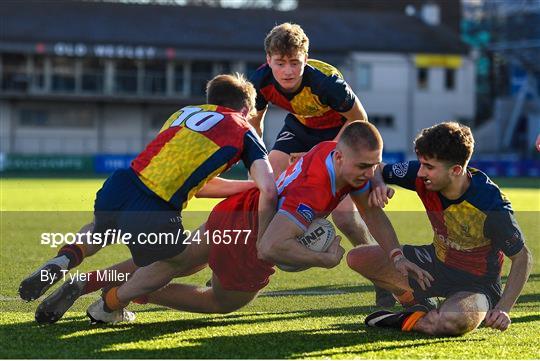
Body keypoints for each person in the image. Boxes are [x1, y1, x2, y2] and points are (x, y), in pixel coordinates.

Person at [37, 122, 431, 324]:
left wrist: (395, 251)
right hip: (253, 233)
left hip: (238, 208)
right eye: (364, 167)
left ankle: (88, 282)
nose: (368, 173)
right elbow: (270, 247)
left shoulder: (336, 153)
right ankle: (113, 301)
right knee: (222, 301)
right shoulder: (313, 192)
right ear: (343, 160)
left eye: (374, 166)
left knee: (179, 259)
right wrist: (324, 260)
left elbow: (370, 208)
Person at [20, 73, 278, 323]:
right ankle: (110, 306)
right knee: (175, 262)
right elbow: (268, 188)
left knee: (101, 230)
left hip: (123, 182)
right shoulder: (244, 128)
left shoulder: (185, 113)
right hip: (156, 204)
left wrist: (244, 187)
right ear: (246, 109)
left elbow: (198, 186)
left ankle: (66, 257)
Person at [249, 22, 393, 306]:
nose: (288, 71)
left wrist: (321, 154)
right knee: (267, 184)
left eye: (295, 63)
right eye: (280, 63)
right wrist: (256, 155)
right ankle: (255, 261)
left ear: (306, 58)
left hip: (340, 133)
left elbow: (359, 118)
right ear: (268, 61)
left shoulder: (326, 82)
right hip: (300, 128)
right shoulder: (260, 81)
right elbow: (255, 122)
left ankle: (383, 278)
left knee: (344, 218)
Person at [348, 122, 532, 336]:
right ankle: (417, 304)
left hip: (477, 285)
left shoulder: (490, 204)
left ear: (455, 170)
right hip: (434, 264)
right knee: (358, 258)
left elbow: (523, 257)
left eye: (429, 167)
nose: (421, 172)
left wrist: (503, 308)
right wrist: (379, 184)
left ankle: (408, 320)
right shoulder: (422, 173)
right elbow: (377, 168)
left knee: (451, 321)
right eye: (421, 163)